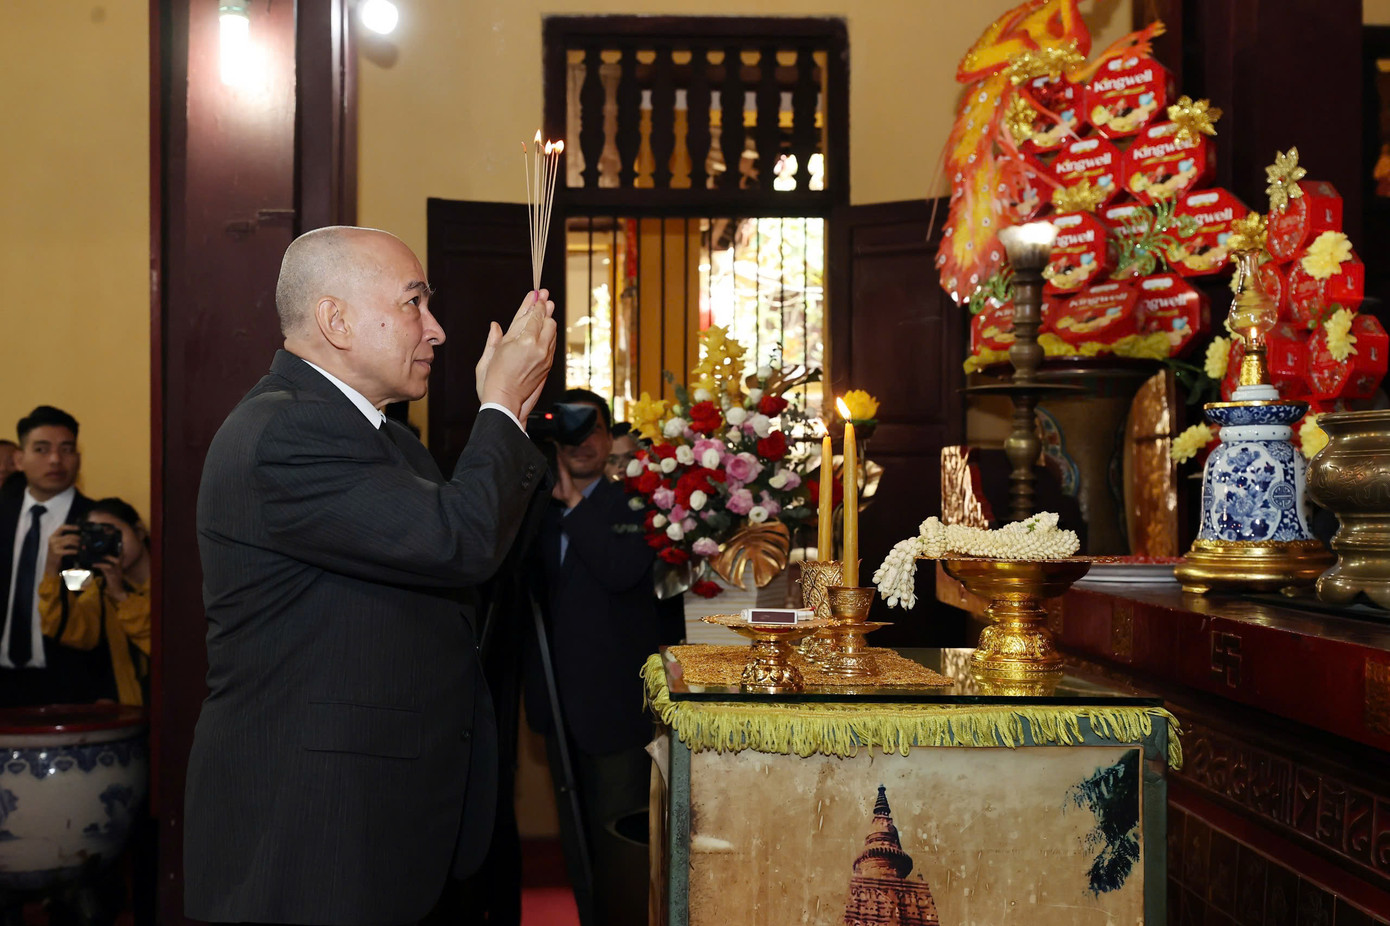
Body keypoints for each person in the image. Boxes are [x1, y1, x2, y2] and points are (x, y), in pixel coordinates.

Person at [182, 226, 557, 926]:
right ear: (336, 320)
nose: (437, 330)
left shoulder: (391, 443)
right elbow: (459, 540)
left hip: (384, 819)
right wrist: (499, 410)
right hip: (312, 830)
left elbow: (467, 551)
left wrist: (509, 419)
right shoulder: (287, 431)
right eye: (415, 303)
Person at [526, 388, 663, 926]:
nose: (584, 444)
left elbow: (619, 571)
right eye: (572, 433)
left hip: (614, 709)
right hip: (555, 707)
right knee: (576, 844)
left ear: (610, 438)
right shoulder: (533, 511)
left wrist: (574, 505)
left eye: (595, 431)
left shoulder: (636, 505)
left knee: (617, 842)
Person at [0, 405, 101, 707]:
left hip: (70, 681)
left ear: (78, 458)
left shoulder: (95, 521)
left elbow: (89, 599)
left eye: (66, 449)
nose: (56, 459)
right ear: (19, 459)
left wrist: (58, 571)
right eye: (42, 449)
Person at [39, 497, 152, 706]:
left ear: (139, 531)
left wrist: (122, 598)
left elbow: (167, 645)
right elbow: (70, 631)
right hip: (132, 715)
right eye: (95, 537)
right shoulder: (101, 589)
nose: (105, 543)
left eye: (112, 533)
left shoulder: (176, 583)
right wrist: (51, 567)